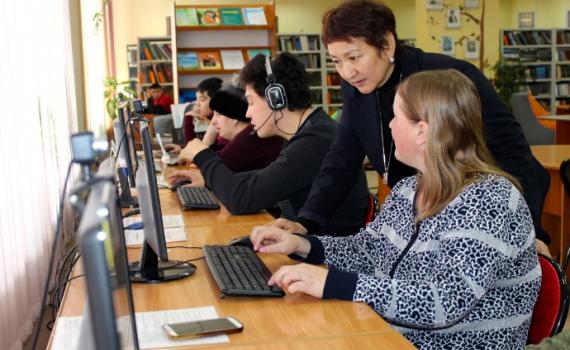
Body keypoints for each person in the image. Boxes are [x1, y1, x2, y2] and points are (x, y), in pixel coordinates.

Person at [250, 69, 541, 349]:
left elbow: (443, 302)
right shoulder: (409, 189)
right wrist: (305, 246)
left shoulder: (489, 201)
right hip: (394, 334)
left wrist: (335, 282)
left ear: (422, 131)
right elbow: (372, 249)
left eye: (396, 116)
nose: (389, 125)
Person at [271, 0, 552, 256]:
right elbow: (341, 158)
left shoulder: (449, 79)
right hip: (421, 208)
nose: (346, 72)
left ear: (387, 45)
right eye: (336, 61)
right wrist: (307, 221)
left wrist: (531, 232)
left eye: (354, 57)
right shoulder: (356, 85)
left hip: (476, 211)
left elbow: (512, 153)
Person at [177, 53, 370, 235]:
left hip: (326, 260)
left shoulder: (316, 140)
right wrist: (207, 180)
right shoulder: (311, 130)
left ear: (276, 99)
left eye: (251, 102)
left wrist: (202, 156)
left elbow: (241, 199)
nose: (247, 113)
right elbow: (264, 178)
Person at [167, 85, 282, 185]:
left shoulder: (250, 137)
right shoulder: (246, 134)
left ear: (234, 118)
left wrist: (210, 133)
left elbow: (210, 167)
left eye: (218, 114)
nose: (213, 121)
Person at [183, 77, 223, 142]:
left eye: (202, 99)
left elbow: (196, 149)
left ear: (216, 101)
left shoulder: (224, 124)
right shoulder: (209, 119)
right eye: (196, 99)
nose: (197, 103)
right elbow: (195, 147)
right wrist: (182, 148)